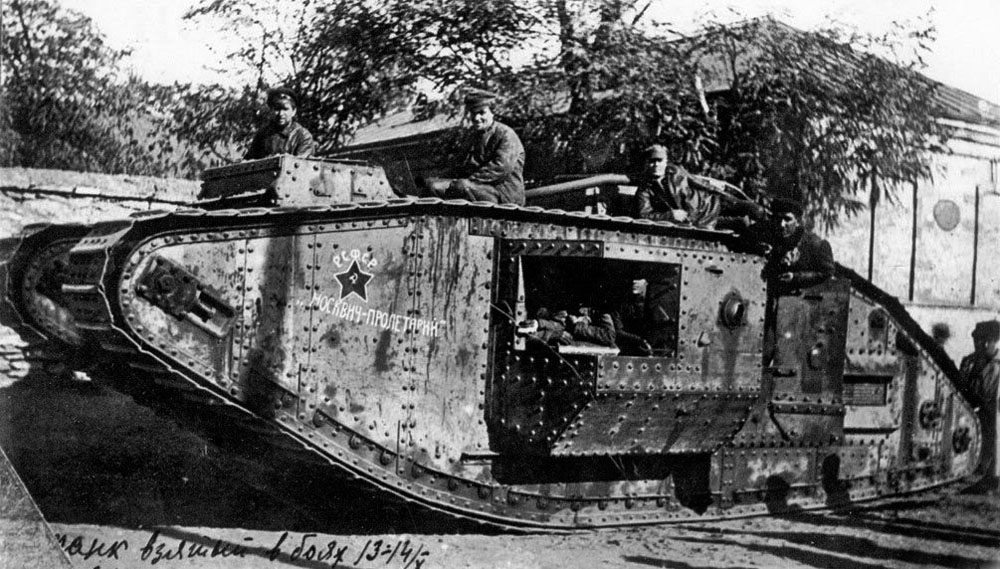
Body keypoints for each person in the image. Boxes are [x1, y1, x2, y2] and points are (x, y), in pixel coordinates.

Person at [424, 89, 525, 205]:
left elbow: (500, 168)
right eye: (473, 113)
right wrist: (441, 178)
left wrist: (469, 180)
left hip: (504, 194)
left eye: (482, 112)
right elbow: (460, 165)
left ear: (493, 112)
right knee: (431, 185)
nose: (476, 118)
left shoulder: (505, 135)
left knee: (462, 186)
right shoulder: (472, 137)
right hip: (478, 189)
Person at [633, 145, 763, 229]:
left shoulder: (676, 171)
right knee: (745, 223)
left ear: (666, 162)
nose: (656, 165)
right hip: (700, 220)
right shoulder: (645, 189)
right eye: (652, 161)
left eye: (659, 160)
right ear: (646, 163)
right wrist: (670, 215)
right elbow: (644, 215)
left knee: (756, 210)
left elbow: (700, 183)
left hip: (711, 202)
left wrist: (730, 198)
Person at [959, 320, 1000, 492]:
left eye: (985, 341)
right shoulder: (968, 362)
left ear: (995, 341)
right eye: (977, 340)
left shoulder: (998, 365)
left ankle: (992, 478)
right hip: (972, 412)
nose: (980, 345)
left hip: (993, 414)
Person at [761, 197, 835, 291]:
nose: (782, 224)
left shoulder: (816, 244)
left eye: (787, 219)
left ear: (798, 221)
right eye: (778, 219)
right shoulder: (771, 239)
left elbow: (827, 273)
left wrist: (796, 277)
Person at [244, 87, 316, 160]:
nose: (281, 114)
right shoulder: (263, 134)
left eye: (285, 109)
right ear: (271, 110)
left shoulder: (302, 136)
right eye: (277, 109)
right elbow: (249, 161)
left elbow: (300, 164)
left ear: (294, 111)